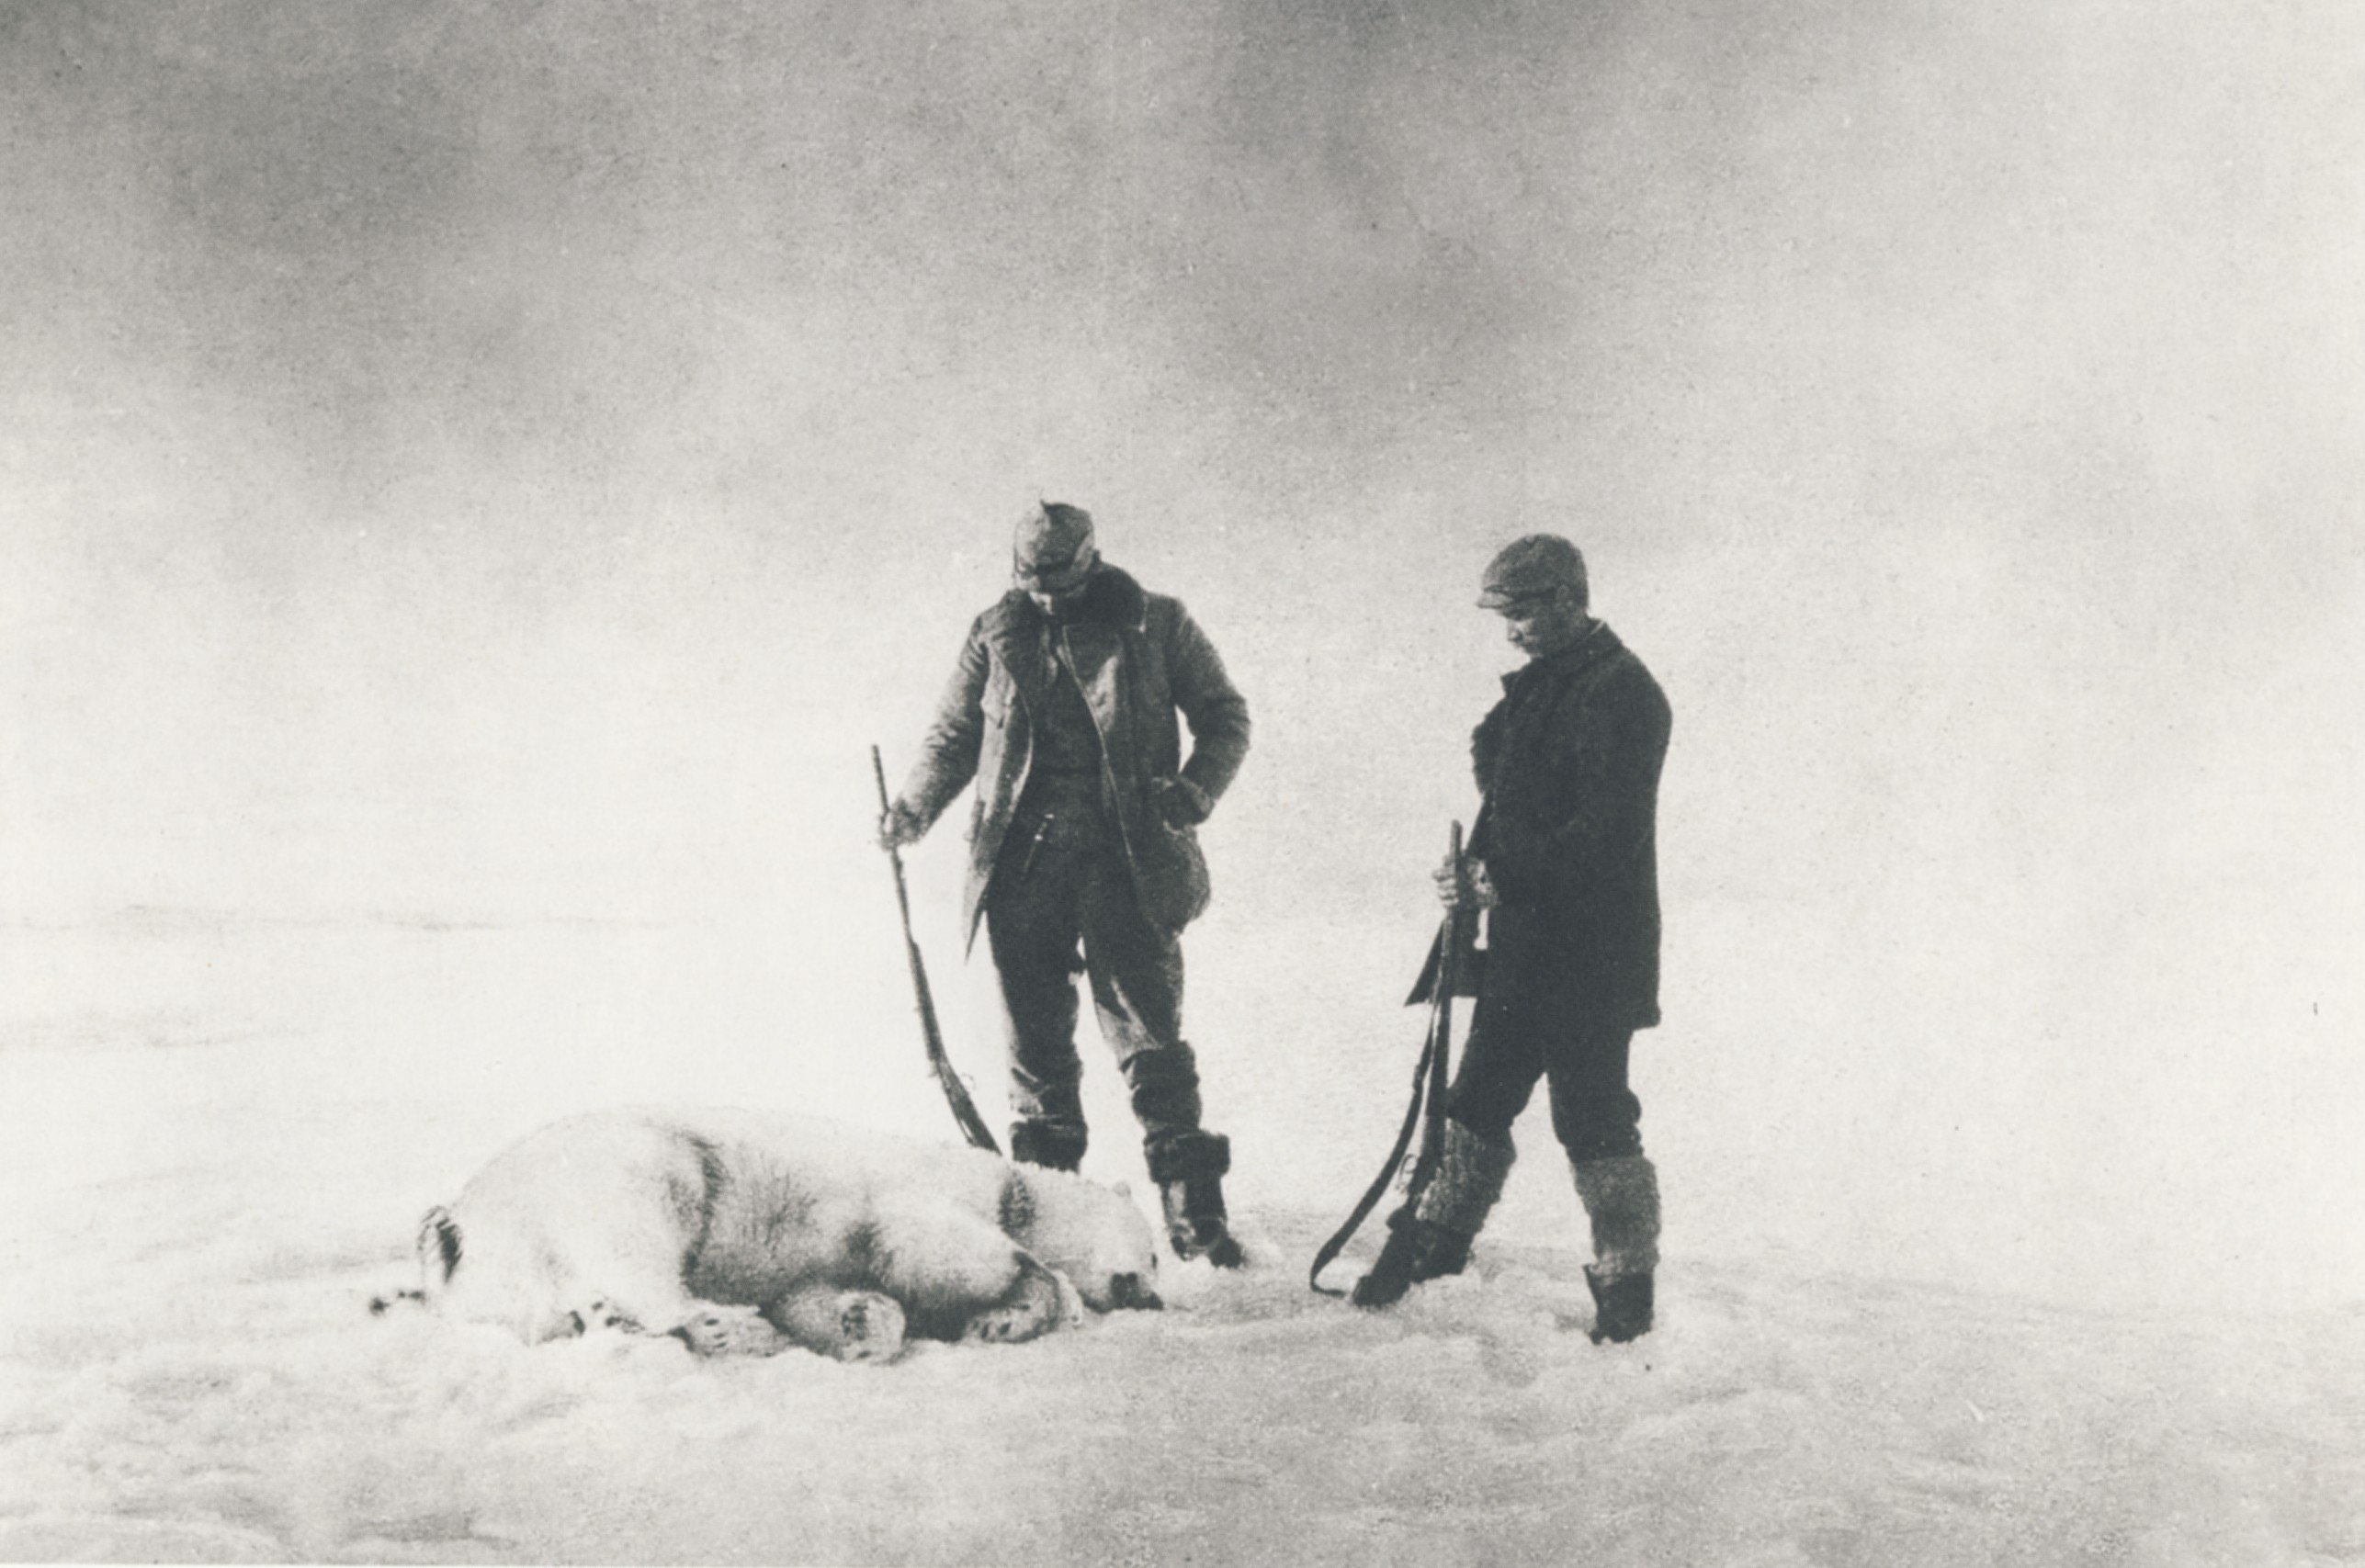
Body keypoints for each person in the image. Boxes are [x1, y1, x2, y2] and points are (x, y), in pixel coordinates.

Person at [877, 501, 1252, 1267]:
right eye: (1030, 579)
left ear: (1092, 560)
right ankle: (1050, 1213)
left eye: (1060, 577)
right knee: (1034, 1042)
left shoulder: (1159, 624)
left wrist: (1196, 789)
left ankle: (1193, 1215)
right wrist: (913, 806)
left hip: (1129, 859)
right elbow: (955, 735)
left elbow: (1224, 714)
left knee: (1148, 1029)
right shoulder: (994, 631)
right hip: (1021, 865)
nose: (1045, 594)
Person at [1352, 534, 1671, 1342]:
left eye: (1522, 612)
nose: (1511, 630)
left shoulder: (1623, 692)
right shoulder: (1540, 689)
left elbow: (1607, 834)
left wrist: (1499, 878)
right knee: (1476, 1102)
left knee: (1594, 1119)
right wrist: (1475, 877)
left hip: (1594, 953)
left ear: (1570, 598)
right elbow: (1512, 810)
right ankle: (1432, 1254)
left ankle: (1627, 1299)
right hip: (1526, 947)